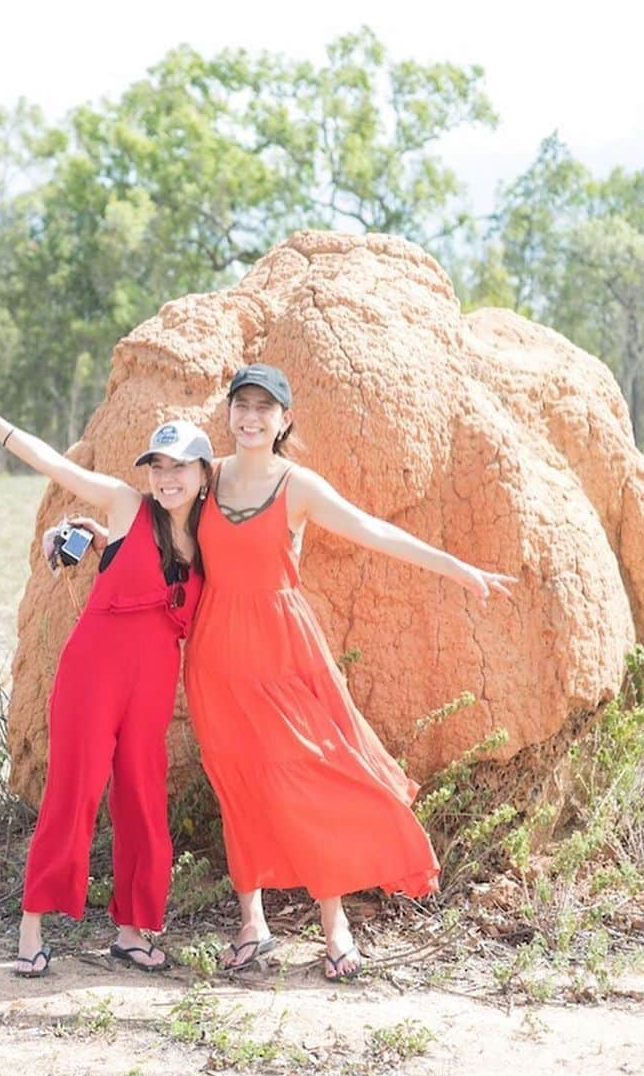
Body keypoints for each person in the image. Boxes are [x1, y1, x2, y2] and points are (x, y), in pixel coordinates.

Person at [184, 363, 515, 978]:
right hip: (214, 656)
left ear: (284, 420)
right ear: (228, 412)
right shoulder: (207, 478)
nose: (251, 417)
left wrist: (459, 569)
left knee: (306, 778)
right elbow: (154, 522)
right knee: (236, 781)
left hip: (281, 650)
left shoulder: (297, 486)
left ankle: (334, 926)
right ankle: (251, 925)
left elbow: (372, 531)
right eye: (242, 405)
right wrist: (95, 533)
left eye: (265, 407)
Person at [0, 365, 212, 974]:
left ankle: (131, 931)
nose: (166, 478)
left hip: (152, 683)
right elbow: (55, 467)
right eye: (159, 467)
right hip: (93, 672)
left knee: (144, 801)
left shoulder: (209, 535)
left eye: (180, 468)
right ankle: (32, 929)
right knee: (74, 792)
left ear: (203, 475)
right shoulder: (125, 506)